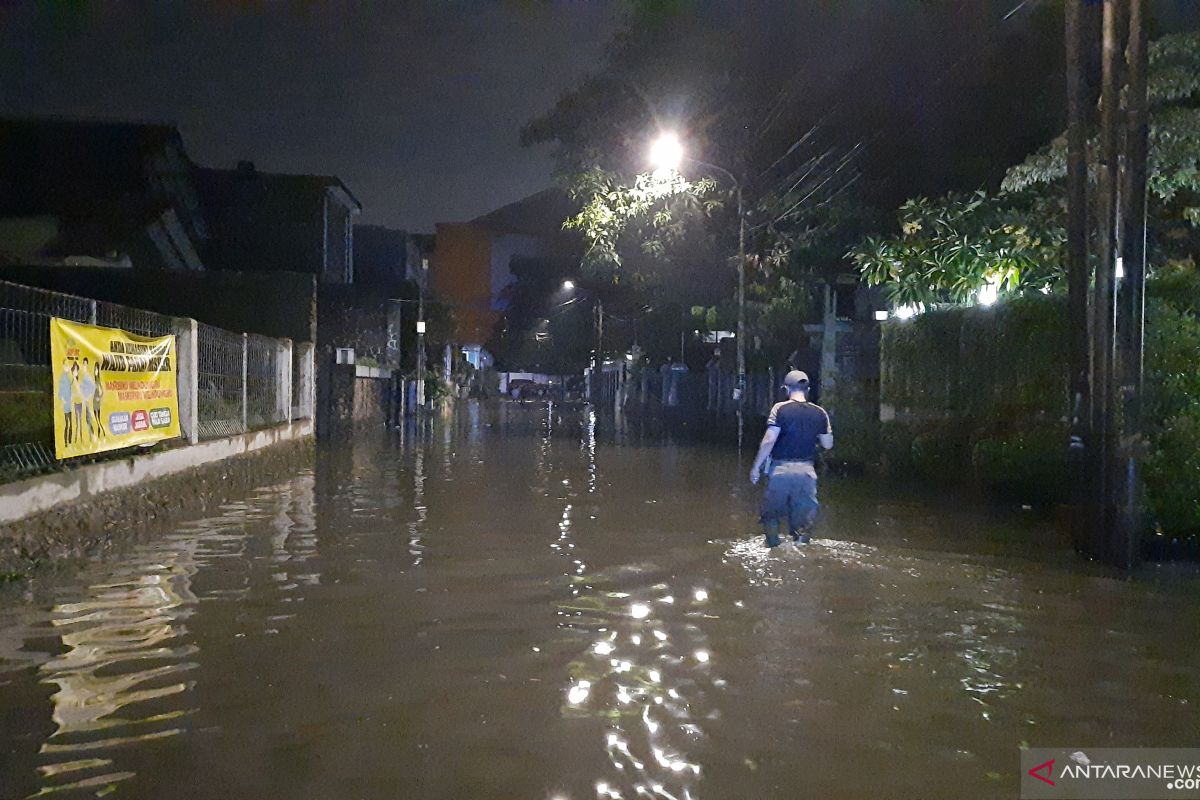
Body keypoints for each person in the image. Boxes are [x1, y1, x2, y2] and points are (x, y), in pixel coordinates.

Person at [749, 370, 833, 548]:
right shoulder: (820, 412)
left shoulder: (779, 408)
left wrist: (756, 467)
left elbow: (769, 440)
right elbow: (828, 444)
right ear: (807, 389)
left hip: (780, 471)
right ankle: (800, 553)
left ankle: (773, 548)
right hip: (807, 473)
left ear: (786, 388)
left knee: (771, 515)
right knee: (803, 522)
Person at [58, 359, 74, 446]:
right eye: (66, 365)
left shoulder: (68, 376)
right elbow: (60, 392)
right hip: (66, 403)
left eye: (68, 365)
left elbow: (70, 388)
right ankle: (66, 442)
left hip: (69, 403)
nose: (67, 367)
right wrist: (63, 400)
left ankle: (70, 441)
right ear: (63, 366)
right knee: (67, 423)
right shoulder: (63, 377)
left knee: (70, 423)